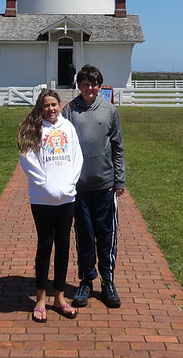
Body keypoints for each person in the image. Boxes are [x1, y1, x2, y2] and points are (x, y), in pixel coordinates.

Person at [62, 64, 125, 308]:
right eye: (86, 84)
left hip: (105, 186)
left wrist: (119, 179)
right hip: (79, 188)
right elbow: (62, 146)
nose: (90, 88)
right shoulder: (69, 112)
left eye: (94, 84)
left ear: (100, 86)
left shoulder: (109, 111)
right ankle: (86, 280)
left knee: (106, 235)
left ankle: (108, 281)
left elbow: (118, 147)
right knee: (84, 236)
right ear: (79, 85)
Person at [17, 89, 83, 323]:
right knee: (45, 245)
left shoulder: (68, 128)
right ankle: (41, 299)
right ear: (40, 107)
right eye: (46, 105)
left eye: (54, 104)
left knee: (63, 245)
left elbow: (77, 157)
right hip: (42, 198)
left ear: (60, 105)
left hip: (66, 197)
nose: (51, 109)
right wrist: (44, 183)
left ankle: (59, 297)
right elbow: (27, 158)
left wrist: (69, 183)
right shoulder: (33, 128)